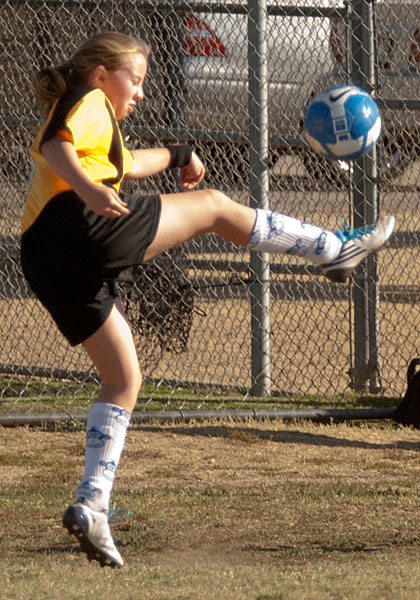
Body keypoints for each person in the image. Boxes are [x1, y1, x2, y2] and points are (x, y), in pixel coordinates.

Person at [20, 31, 395, 568]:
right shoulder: (88, 98)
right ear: (102, 74)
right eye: (136, 80)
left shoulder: (98, 118)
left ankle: (92, 503)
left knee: (124, 379)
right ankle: (333, 248)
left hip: (45, 259)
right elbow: (57, 147)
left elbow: (126, 163)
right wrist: (90, 190)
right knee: (216, 207)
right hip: (78, 225)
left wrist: (179, 153)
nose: (141, 92)